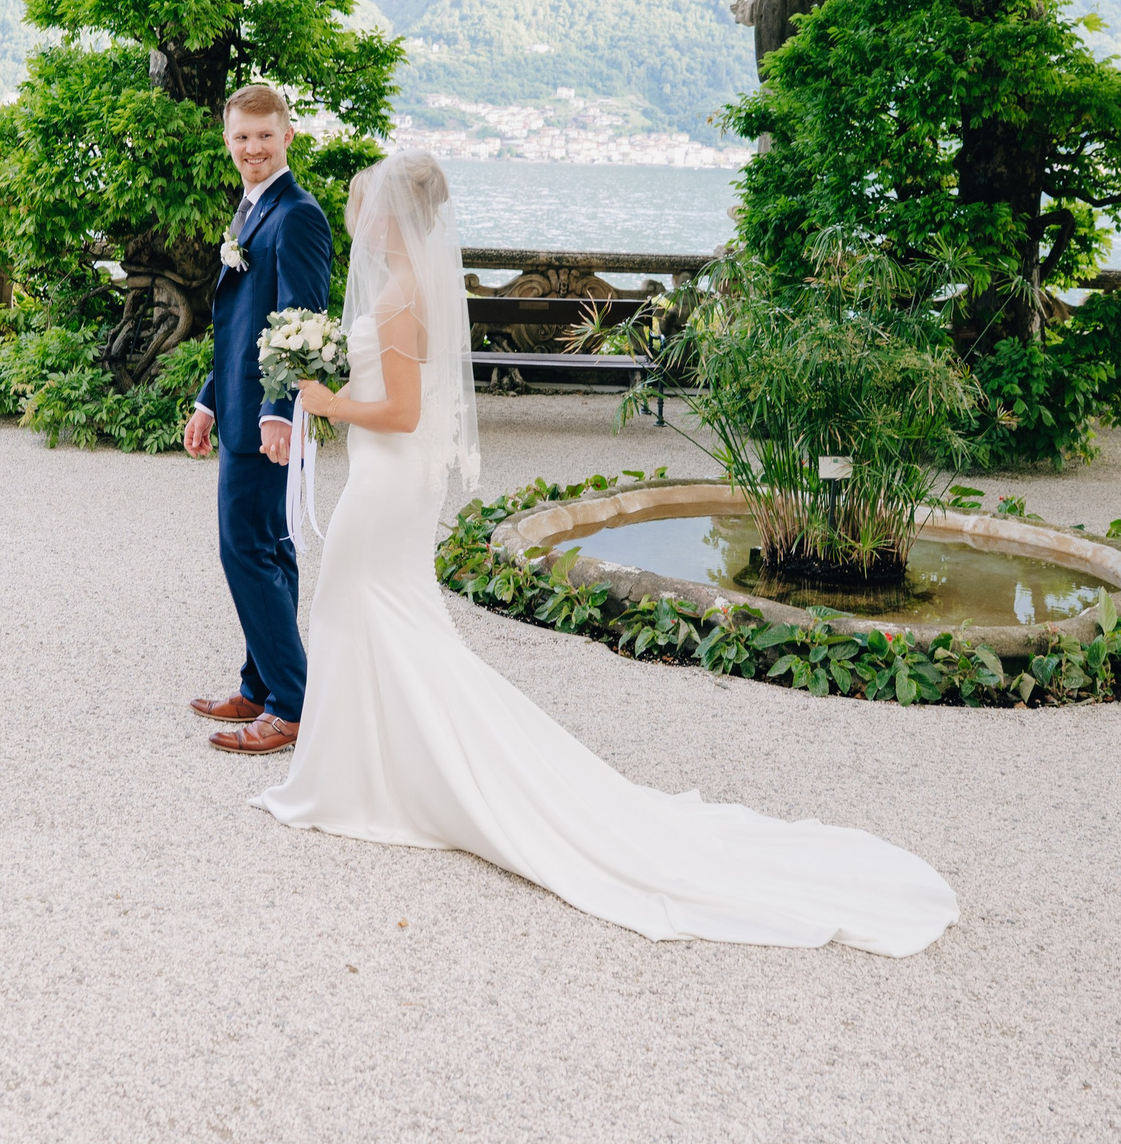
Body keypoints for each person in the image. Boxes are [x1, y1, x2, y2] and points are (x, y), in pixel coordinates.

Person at [248, 150, 960, 955]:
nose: (355, 211)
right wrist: (335, 387)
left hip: (390, 480)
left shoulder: (407, 292)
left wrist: (327, 397)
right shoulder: (400, 285)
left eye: (363, 200)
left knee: (359, 601)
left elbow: (405, 411)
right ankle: (366, 771)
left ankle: (374, 778)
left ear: (391, 213)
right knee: (372, 611)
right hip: (386, 476)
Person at [182, 84, 334, 755]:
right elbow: (238, 324)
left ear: (287, 137)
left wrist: (279, 410)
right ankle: (259, 684)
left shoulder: (297, 214)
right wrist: (209, 398)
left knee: (244, 547)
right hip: (239, 405)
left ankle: (292, 704)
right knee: (269, 545)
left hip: (266, 415)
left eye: (264, 136)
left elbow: (299, 322)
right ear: (228, 138)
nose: (252, 148)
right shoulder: (250, 210)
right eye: (241, 137)